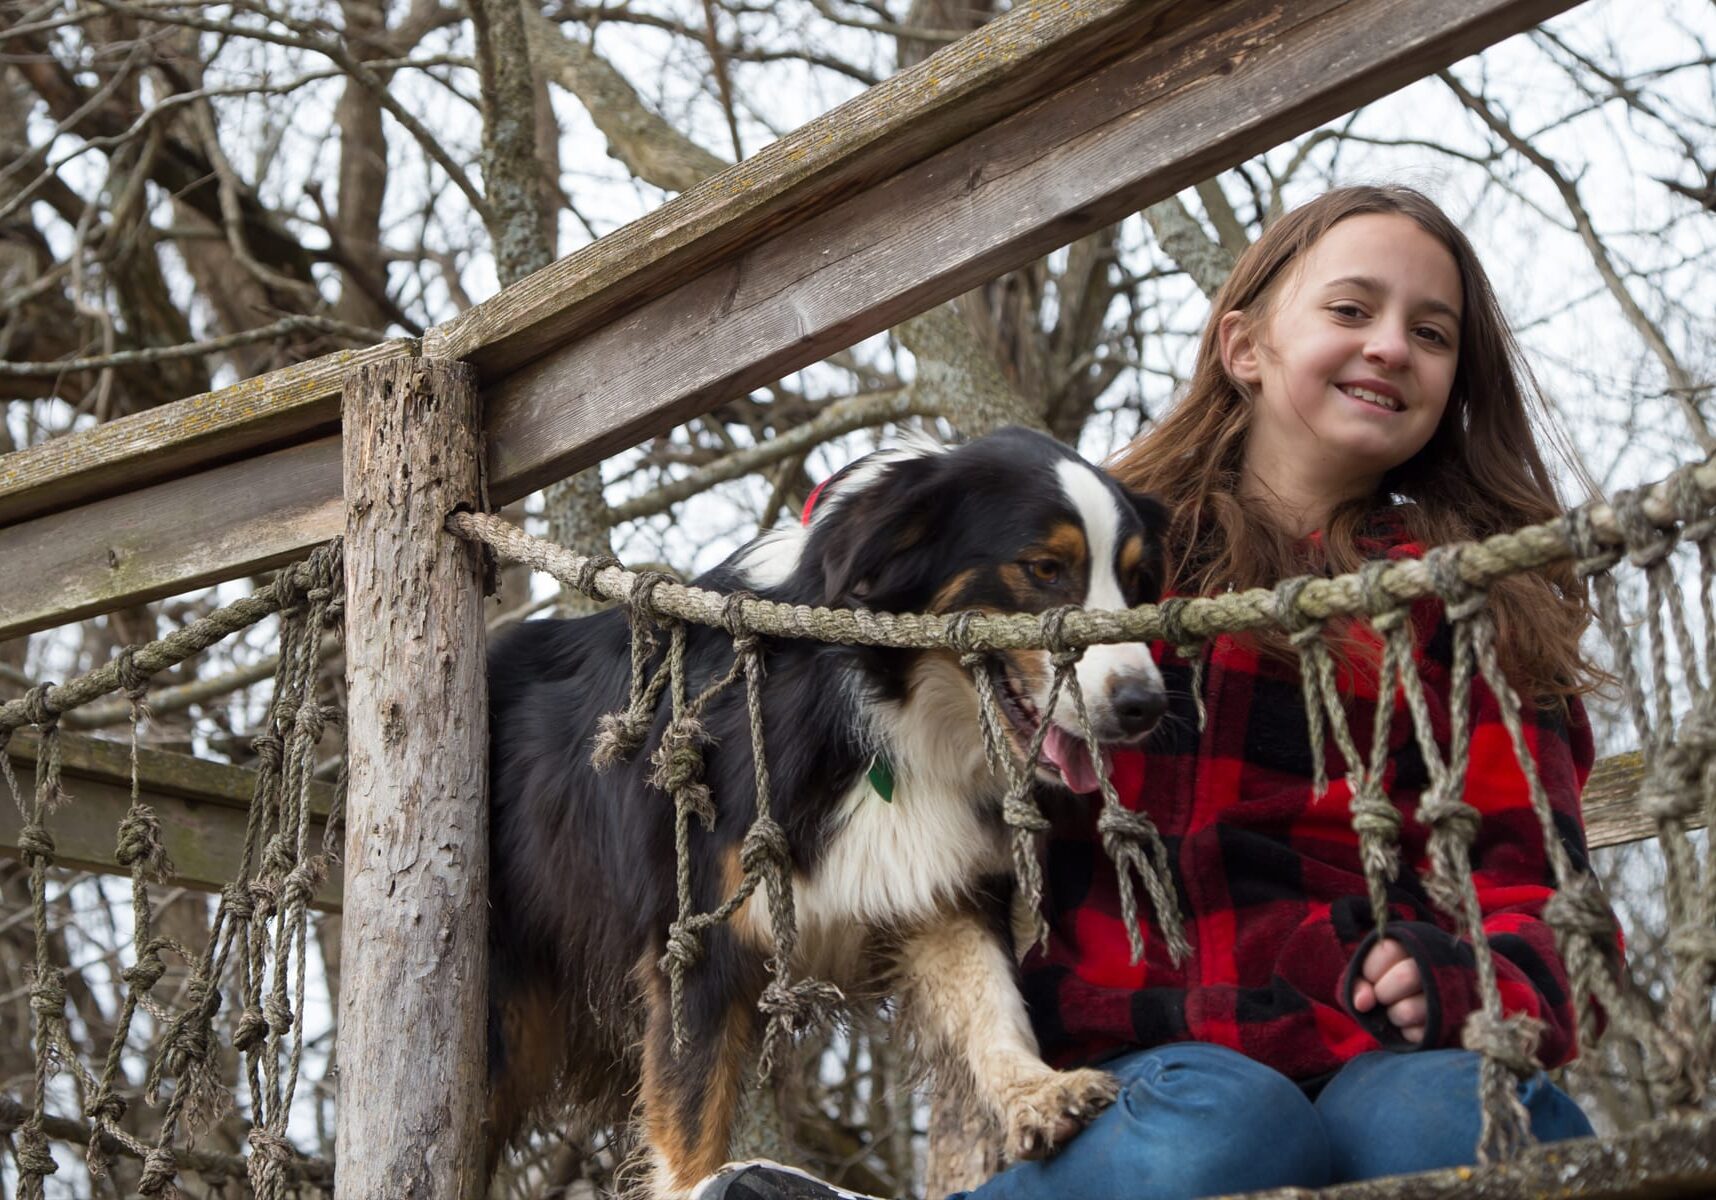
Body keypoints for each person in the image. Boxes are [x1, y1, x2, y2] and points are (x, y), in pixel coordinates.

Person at [697, 185, 1610, 1200]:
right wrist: (901, 497)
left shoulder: (1475, 606)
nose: (1391, 344)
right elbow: (882, 550)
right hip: (1156, 1054)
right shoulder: (1109, 548)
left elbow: (1545, 896)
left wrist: (1457, 980)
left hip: (1387, 1048)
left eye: (1431, 332)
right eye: (1351, 311)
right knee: (1222, 1132)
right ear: (1245, 346)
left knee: (1458, 1124)